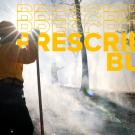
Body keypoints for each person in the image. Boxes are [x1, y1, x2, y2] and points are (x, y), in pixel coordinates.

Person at [0, 21, 38, 135]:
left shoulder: (2, 48)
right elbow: (30, 56)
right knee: (25, 128)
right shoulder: (11, 48)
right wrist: (33, 38)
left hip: (3, 91)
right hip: (11, 91)